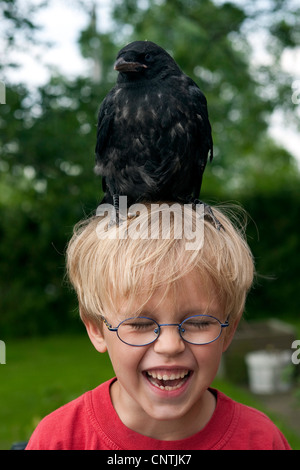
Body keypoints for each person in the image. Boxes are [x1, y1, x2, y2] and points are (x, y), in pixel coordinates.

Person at [26, 202, 291, 450]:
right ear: (97, 328)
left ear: (228, 330)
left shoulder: (261, 440)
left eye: (199, 322)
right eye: (140, 323)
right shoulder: (60, 440)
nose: (170, 345)